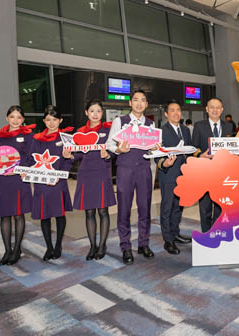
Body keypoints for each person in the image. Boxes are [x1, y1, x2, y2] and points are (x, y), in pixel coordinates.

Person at [0, 105, 35, 266]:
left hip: (18, 179)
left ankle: (17, 250)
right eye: (12, 117)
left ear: (23, 119)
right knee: (4, 215)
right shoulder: (0, 136)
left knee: (18, 214)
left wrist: (16, 169)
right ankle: (7, 251)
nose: (15, 120)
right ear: (7, 118)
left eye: (19, 117)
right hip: (1, 180)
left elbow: (31, 158)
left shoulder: (28, 135)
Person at [106, 89, 156, 265]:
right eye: (136, 100)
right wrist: (119, 149)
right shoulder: (120, 121)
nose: (139, 103)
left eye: (143, 100)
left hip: (144, 169)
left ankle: (143, 243)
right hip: (125, 169)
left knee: (145, 208)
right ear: (130, 103)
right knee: (124, 209)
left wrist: (156, 147)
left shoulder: (150, 124)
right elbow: (109, 144)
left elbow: (152, 148)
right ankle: (125, 246)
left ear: (146, 104)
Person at [26, 105, 74, 261]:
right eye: (48, 120)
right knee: (44, 216)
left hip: (58, 183)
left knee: (59, 215)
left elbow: (69, 161)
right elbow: (30, 159)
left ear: (60, 120)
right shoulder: (36, 139)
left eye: (55, 119)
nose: (51, 123)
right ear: (44, 121)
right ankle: (49, 247)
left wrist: (58, 176)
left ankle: (58, 245)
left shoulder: (66, 138)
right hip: (41, 183)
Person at [70, 99, 116, 260]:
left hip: (102, 173)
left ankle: (102, 245)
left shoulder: (108, 130)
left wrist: (108, 154)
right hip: (86, 174)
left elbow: (115, 150)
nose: (95, 114)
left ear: (102, 113)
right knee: (89, 211)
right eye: (92, 111)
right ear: (86, 113)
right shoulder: (80, 132)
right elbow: (78, 153)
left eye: (98, 111)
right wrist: (70, 155)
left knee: (103, 211)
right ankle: (92, 245)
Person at [191, 97, 234, 232]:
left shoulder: (228, 126)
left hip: (223, 172)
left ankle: (216, 232)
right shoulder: (199, 125)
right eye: (212, 107)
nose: (215, 110)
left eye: (218, 107)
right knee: (205, 206)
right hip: (205, 171)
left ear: (222, 110)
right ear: (207, 109)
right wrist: (200, 155)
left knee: (220, 205)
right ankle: (206, 233)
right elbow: (194, 147)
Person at [158, 100, 193, 254]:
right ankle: (168, 240)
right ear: (166, 114)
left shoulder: (185, 130)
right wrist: (163, 163)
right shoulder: (161, 131)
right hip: (168, 174)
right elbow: (157, 154)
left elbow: (189, 150)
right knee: (167, 207)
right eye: (172, 110)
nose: (176, 113)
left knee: (179, 206)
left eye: (178, 110)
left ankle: (175, 233)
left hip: (183, 175)